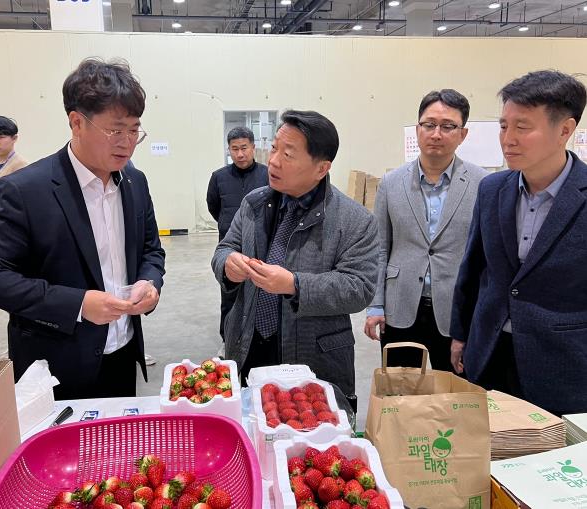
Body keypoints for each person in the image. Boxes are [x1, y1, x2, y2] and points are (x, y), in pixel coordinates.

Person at [0, 58, 166, 400]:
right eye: (116, 130)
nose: (127, 142)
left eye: (134, 130)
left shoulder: (135, 182)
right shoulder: (26, 190)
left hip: (122, 353)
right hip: (56, 367)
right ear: (77, 122)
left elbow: (151, 250)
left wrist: (149, 282)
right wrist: (77, 304)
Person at [211, 109, 379, 399]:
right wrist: (228, 264)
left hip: (314, 357)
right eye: (274, 148)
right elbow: (224, 249)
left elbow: (358, 288)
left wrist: (294, 284)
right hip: (250, 345)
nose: (273, 160)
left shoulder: (355, 220)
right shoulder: (253, 204)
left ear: (321, 168)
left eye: (287, 155)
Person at [450, 70, 587, 416]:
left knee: (551, 448)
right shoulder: (492, 188)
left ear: (565, 130)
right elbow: (474, 268)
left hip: (562, 362)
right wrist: (460, 334)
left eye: (522, 127)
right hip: (490, 350)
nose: (508, 139)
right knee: (485, 441)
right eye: (503, 126)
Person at [364, 90, 488, 371]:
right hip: (401, 306)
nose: (436, 134)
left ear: (463, 134)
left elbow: (485, 256)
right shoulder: (391, 183)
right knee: (401, 390)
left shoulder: (483, 184)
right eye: (429, 125)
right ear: (417, 129)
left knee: (456, 391)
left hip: (456, 311)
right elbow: (379, 248)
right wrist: (376, 305)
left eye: (448, 126)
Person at [207, 127, 268, 342]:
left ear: (253, 147)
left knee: (262, 293)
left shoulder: (267, 175)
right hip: (230, 247)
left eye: (244, 148)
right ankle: (228, 341)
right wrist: (228, 226)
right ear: (229, 150)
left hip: (261, 245)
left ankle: (258, 339)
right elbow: (213, 206)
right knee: (229, 295)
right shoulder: (219, 177)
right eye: (235, 149)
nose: (240, 154)